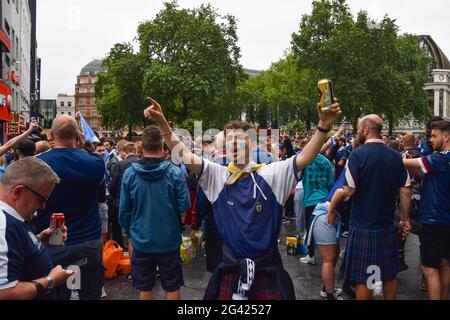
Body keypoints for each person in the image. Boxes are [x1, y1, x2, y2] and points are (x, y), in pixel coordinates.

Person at [143, 96, 341, 300]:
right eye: (229, 140)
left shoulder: (272, 174)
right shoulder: (217, 175)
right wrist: (162, 122)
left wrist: (323, 126)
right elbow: (181, 153)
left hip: (267, 272)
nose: (234, 143)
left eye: (240, 139)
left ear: (253, 143)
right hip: (231, 270)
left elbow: (305, 157)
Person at [33, 115, 106, 300]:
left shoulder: (38, 163)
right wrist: (84, 145)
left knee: (53, 293)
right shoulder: (96, 162)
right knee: (89, 293)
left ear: (51, 135)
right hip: (88, 240)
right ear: (77, 134)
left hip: (51, 240)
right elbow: (100, 198)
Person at [340, 115, 411, 300]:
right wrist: (405, 219)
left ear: (365, 130)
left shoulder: (356, 154)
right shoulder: (396, 156)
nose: (357, 131)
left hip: (363, 225)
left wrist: (339, 196)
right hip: (386, 224)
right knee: (389, 274)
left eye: (358, 127)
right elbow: (405, 190)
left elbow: (350, 190)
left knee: (364, 278)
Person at [119, 126, 191, 300]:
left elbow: (124, 211)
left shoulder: (130, 174)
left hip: (141, 239)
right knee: (172, 285)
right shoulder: (174, 172)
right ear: (162, 147)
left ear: (141, 147)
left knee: (145, 287)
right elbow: (185, 206)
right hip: (169, 239)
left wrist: (130, 234)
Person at [0, 158, 74, 300]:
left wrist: (38, 239)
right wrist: (50, 280)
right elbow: (4, 293)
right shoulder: (2, 225)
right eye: (41, 200)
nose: (42, 207)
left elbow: (13, 250)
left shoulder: (11, 216)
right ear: (18, 192)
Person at [403, 120, 450, 300]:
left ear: (445, 137)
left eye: (434, 136)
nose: (431, 139)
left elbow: (412, 163)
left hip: (434, 220)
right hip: (446, 219)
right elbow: (427, 174)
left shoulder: (440, 158)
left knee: (429, 269)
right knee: (445, 264)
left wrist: (404, 159)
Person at [299, 153, 334, 265]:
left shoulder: (306, 160)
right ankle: (328, 256)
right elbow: (330, 183)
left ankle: (311, 255)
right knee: (326, 227)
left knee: (310, 229)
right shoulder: (327, 162)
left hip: (310, 200)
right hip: (324, 199)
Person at [109, 143, 139, 247]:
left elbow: (113, 185)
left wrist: (115, 196)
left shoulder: (120, 165)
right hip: (138, 203)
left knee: (117, 231)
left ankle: (119, 251)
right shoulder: (143, 163)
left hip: (121, 202)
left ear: (123, 152)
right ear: (135, 151)